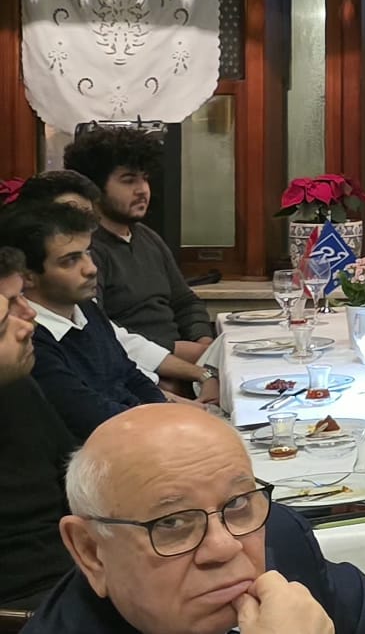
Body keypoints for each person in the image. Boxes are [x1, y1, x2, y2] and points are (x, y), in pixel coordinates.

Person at [25, 403, 365, 634]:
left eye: (236, 503)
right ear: (91, 551)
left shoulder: (280, 541)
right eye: (173, 523)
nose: (224, 546)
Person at [13, 171, 210, 398]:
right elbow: (93, 403)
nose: (90, 268)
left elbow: (123, 360)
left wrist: (201, 374)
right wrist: (169, 392)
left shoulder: (85, 307)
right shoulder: (31, 330)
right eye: (67, 215)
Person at [3, 203, 167, 440]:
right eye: (70, 261)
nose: (91, 269)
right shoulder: (30, 340)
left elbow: (130, 374)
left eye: (88, 253)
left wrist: (164, 413)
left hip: (140, 431)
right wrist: (161, 424)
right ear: (27, 277)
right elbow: (91, 418)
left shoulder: (86, 308)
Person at [63, 128, 213, 364]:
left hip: (186, 360)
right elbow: (100, 329)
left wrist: (204, 343)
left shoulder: (148, 237)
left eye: (145, 178)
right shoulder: (86, 250)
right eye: (129, 180)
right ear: (94, 188)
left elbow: (185, 302)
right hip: (139, 368)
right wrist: (181, 352)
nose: (143, 190)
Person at [0, 246, 78, 610]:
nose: (29, 316)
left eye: (21, 297)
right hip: (36, 599)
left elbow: (71, 473)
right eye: (6, 317)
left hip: (84, 560)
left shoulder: (16, 382)